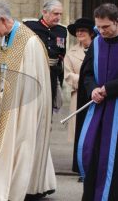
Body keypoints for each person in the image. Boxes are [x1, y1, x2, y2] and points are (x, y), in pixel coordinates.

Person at [0, 1, 56, 201]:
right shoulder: (4, 38)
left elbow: (34, 82)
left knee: (23, 144)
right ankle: (3, 185)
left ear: (3, 20)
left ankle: (25, 188)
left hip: (26, 107)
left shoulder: (30, 42)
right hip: (7, 104)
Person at [77, 3, 118, 201]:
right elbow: (86, 73)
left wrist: (110, 89)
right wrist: (92, 88)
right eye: (99, 27)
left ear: (117, 22)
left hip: (116, 111)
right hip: (99, 111)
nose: (101, 31)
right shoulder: (97, 43)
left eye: (106, 27)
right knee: (92, 155)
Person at [63, 18, 95, 176]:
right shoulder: (71, 52)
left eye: (83, 30)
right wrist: (83, 80)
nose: (79, 33)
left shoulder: (98, 48)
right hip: (79, 95)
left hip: (97, 93)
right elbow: (67, 74)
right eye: (77, 31)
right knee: (80, 130)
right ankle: (79, 165)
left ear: (90, 32)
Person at [24, 0, 67, 112]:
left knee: (48, 108)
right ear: (44, 12)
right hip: (34, 73)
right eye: (55, 13)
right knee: (32, 107)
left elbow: (61, 54)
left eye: (60, 14)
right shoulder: (29, 26)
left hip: (52, 73)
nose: (58, 17)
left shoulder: (62, 31)